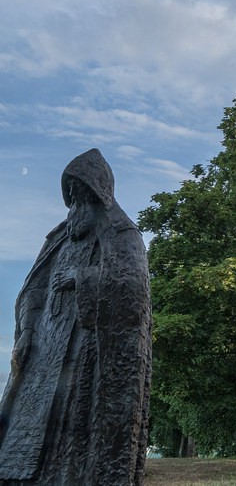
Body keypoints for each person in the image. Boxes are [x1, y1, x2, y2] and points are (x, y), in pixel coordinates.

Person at [0, 149, 152, 485]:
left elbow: (131, 288)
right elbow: (32, 289)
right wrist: (26, 330)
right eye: (72, 196)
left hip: (82, 356)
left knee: (72, 434)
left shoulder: (123, 236)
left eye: (83, 195)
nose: (76, 205)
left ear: (98, 194)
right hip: (43, 354)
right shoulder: (58, 239)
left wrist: (81, 278)